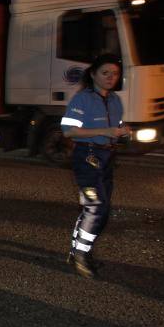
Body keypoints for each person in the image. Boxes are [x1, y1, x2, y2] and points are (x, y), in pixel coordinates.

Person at [60, 54, 130, 278]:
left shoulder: (115, 100)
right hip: (87, 156)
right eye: (105, 73)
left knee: (103, 209)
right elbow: (68, 131)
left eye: (115, 73)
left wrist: (124, 130)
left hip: (108, 157)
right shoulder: (82, 99)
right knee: (96, 206)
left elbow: (116, 125)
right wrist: (105, 131)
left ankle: (78, 251)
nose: (111, 77)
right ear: (93, 74)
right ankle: (81, 255)